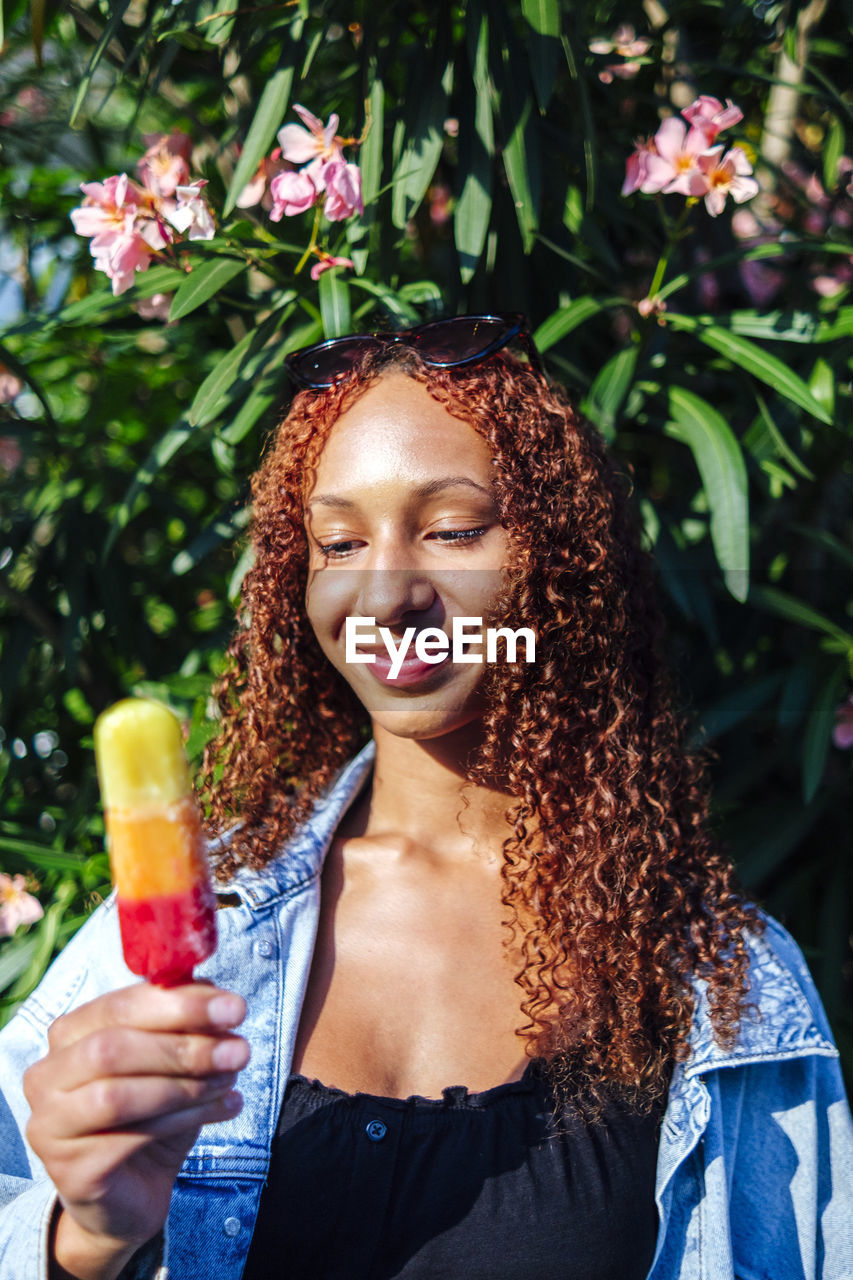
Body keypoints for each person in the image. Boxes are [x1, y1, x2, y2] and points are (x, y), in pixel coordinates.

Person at [0, 313, 851, 1280]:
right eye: (338, 541)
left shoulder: (721, 984)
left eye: (452, 530)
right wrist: (83, 1243)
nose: (386, 594)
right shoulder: (203, 917)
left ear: (558, 562)